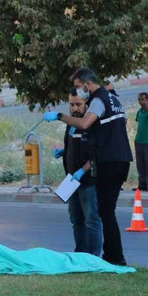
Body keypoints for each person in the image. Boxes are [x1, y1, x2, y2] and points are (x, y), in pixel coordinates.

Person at [43, 67, 133, 266]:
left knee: (103, 212)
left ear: (86, 83)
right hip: (118, 159)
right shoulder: (112, 99)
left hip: (110, 161)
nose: (78, 90)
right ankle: (111, 255)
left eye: (78, 87)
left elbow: (85, 124)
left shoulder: (99, 99)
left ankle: (113, 257)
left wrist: (59, 115)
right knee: (105, 210)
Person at [53, 89, 101, 256]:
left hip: (87, 180)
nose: (75, 108)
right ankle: (80, 253)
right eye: (72, 104)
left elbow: (96, 154)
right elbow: (75, 147)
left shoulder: (91, 124)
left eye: (78, 104)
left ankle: (93, 256)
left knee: (91, 220)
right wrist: (64, 152)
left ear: (86, 104)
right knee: (76, 220)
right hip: (71, 180)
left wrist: (82, 170)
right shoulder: (71, 124)